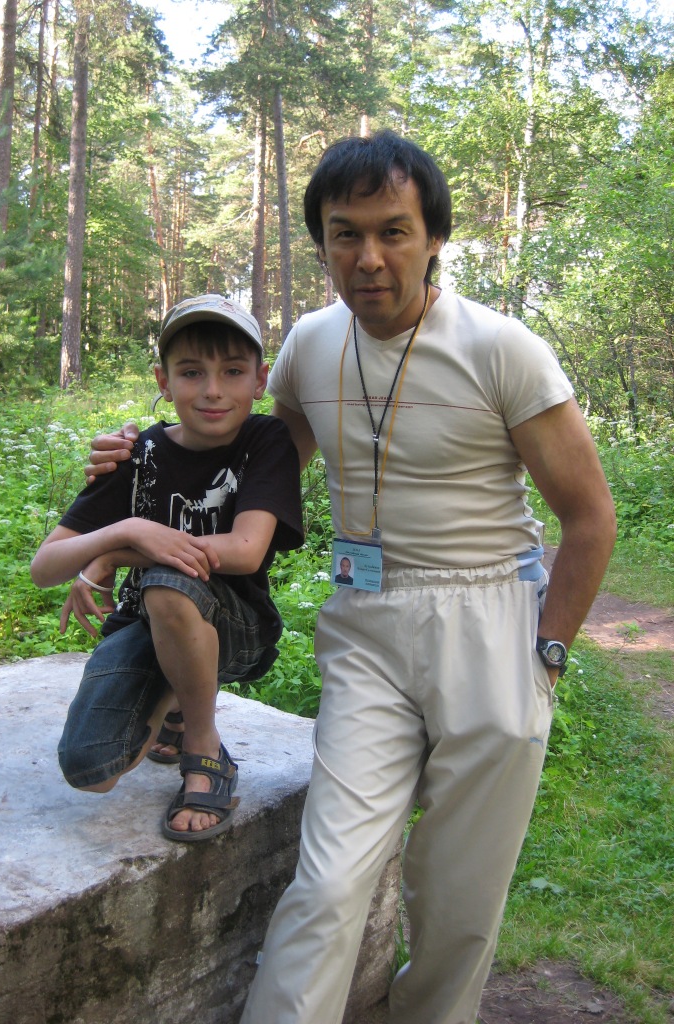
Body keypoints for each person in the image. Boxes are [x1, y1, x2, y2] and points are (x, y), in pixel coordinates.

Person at [86, 132, 617, 1023]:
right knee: (330, 877)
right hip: (366, 620)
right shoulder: (310, 345)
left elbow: (590, 518)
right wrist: (140, 459)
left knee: (459, 894)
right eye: (346, 234)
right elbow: (252, 468)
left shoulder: (503, 349)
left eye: (393, 231)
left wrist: (546, 655)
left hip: (491, 612)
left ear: (434, 237)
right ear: (323, 242)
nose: (369, 257)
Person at [31, 294, 304, 842]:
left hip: (237, 628)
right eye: (191, 372)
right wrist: (126, 530)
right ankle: (175, 706)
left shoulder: (264, 440)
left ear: (260, 380)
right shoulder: (140, 455)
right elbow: (45, 566)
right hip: (147, 625)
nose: (212, 390)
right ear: (163, 380)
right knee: (92, 769)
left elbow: (245, 550)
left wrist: (113, 556)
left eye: (233, 372)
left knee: (166, 583)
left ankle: (204, 747)